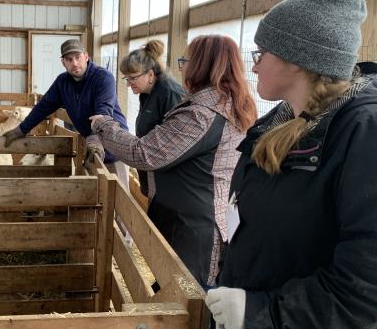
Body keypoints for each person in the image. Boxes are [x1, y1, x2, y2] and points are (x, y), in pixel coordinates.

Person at [205, 0, 377, 329]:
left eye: (261, 52)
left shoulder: (363, 133)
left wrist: (264, 312)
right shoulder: (280, 122)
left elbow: (366, 284)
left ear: (296, 59)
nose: (255, 64)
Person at [90, 35, 257, 287]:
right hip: (189, 217)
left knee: (188, 295)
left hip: (194, 227)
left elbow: (144, 153)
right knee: (174, 288)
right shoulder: (222, 104)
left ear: (202, 65)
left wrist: (103, 125)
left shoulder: (202, 114)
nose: (182, 67)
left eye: (185, 60)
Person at [3, 39, 129, 185]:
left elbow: (104, 111)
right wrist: (21, 130)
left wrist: (95, 138)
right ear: (63, 62)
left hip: (114, 146)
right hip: (91, 148)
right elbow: (42, 108)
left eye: (78, 57)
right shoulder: (62, 83)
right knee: (93, 195)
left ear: (86, 56)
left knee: (117, 197)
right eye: (69, 59)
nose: (74, 63)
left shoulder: (103, 78)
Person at [120, 39, 186, 197]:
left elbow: (175, 144)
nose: (128, 84)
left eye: (133, 78)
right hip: (152, 176)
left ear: (150, 74)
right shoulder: (146, 92)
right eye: (126, 78)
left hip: (167, 184)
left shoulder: (170, 93)